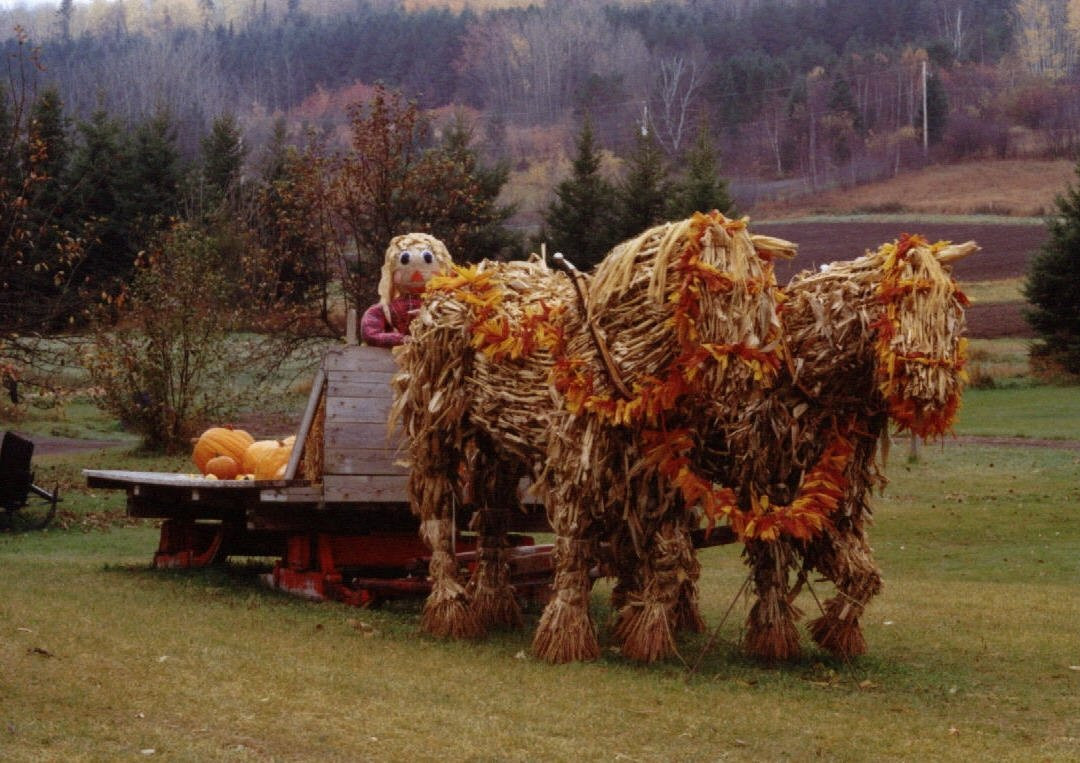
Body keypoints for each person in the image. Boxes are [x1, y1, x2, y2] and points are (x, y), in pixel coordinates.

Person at [360, 233, 452, 347]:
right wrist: (401, 339)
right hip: (393, 356)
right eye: (404, 260)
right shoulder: (387, 310)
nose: (417, 274)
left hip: (435, 353)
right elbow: (370, 332)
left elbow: (456, 328)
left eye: (428, 260)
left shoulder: (445, 305)